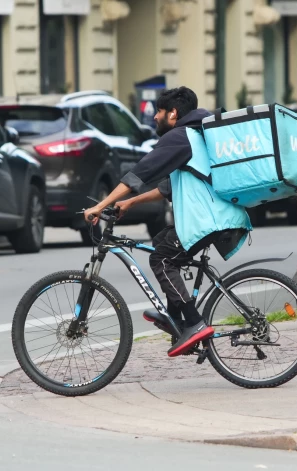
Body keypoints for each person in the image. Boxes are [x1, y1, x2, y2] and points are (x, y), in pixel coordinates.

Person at [84, 87, 252, 357]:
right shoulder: (193, 135)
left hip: (208, 220)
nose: (154, 118)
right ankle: (176, 319)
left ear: (172, 114)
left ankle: (193, 323)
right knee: (162, 241)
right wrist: (129, 203)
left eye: (158, 113)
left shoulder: (180, 137)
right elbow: (168, 187)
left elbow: (139, 173)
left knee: (161, 259)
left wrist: (100, 205)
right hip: (215, 217)